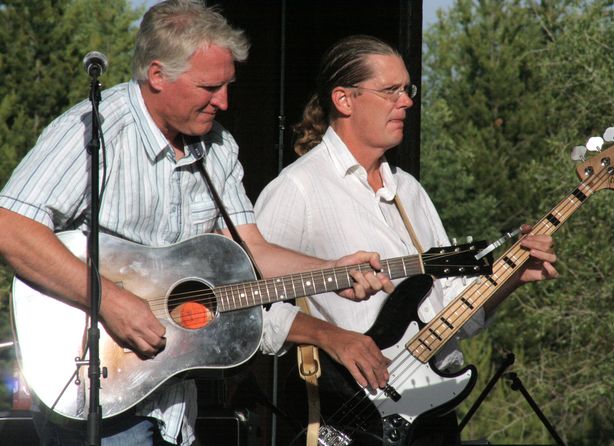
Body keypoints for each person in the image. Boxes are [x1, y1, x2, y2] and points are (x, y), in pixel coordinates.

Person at [0, 4, 393, 445]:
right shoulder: (93, 130)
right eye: (209, 87)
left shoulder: (218, 148)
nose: (223, 101)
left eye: (228, 86)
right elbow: (10, 226)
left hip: (173, 403)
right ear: (157, 75)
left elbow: (252, 251)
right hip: (94, 387)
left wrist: (330, 271)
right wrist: (110, 299)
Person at [256, 35, 558, 445]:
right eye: (390, 91)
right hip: (352, 419)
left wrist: (511, 276)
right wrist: (334, 338)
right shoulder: (299, 188)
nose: (407, 101)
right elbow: (247, 313)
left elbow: (453, 314)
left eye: (407, 89)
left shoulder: (409, 192)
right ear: (344, 100)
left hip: (432, 414)